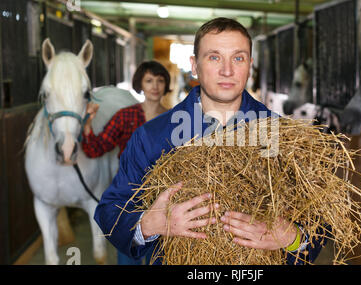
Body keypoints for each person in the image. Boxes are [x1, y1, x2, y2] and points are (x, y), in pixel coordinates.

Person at [94, 17, 326, 265]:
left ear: (250, 65)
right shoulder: (152, 136)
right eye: (214, 57)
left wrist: (291, 237)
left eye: (238, 58)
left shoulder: (284, 136)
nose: (227, 70)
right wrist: (148, 224)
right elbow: (111, 210)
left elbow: (319, 220)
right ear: (194, 66)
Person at [81, 60, 171, 264]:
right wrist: (87, 124)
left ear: (166, 85)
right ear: (140, 84)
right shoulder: (125, 116)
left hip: (163, 195)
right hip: (128, 194)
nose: (155, 86)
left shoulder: (173, 118)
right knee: (128, 252)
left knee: (161, 255)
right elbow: (97, 148)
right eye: (149, 81)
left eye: (160, 80)